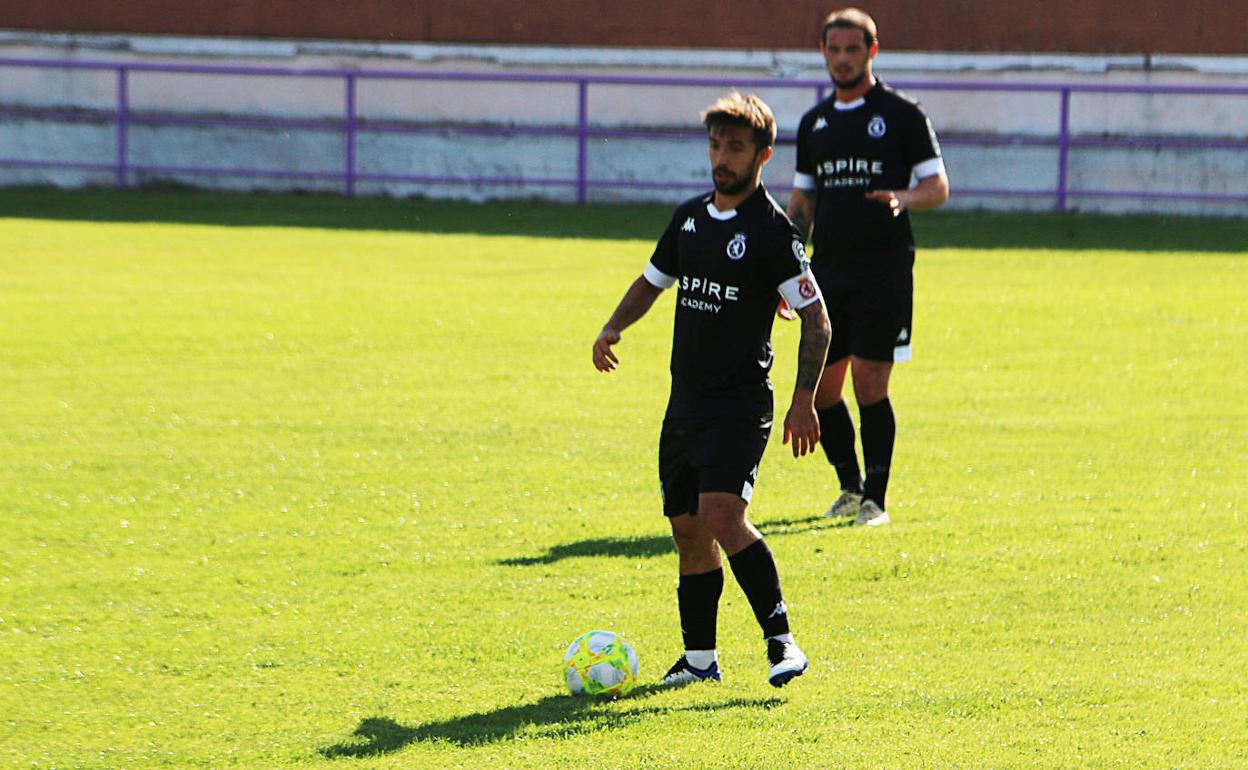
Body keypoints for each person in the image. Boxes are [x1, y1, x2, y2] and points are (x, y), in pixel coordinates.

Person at [592, 92, 831, 688]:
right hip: (686, 404)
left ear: (763, 155)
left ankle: (782, 643)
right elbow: (652, 281)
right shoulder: (690, 219)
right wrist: (614, 324)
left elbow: (817, 319)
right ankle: (700, 660)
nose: (722, 158)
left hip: (740, 403)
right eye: (717, 145)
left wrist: (804, 402)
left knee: (723, 513)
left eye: (736, 147)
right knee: (687, 528)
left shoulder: (774, 233)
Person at [786, 7, 949, 527]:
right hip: (827, 272)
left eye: (852, 49)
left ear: (871, 51)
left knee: (869, 386)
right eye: (833, 50)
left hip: (884, 270)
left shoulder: (902, 114)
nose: (841, 59)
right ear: (823, 54)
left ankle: (876, 499)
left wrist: (902, 197)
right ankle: (850, 488)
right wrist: (786, 271)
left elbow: (937, 187)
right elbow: (801, 205)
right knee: (824, 390)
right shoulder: (814, 124)